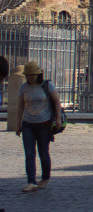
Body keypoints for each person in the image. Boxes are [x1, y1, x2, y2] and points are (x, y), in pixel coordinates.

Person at [15, 61, 62, 192]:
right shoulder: (24, 87)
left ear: (38, 74)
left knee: (43, 153)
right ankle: (31, 182)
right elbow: (20, 106)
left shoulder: (47, 85)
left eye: (33, 75)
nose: (30, 77)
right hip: (28, 124)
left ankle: (45, 178)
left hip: (44, 124)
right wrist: (18, 123)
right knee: (29, 154)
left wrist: (58, 118)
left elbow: (57, 101)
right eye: (28, 75)